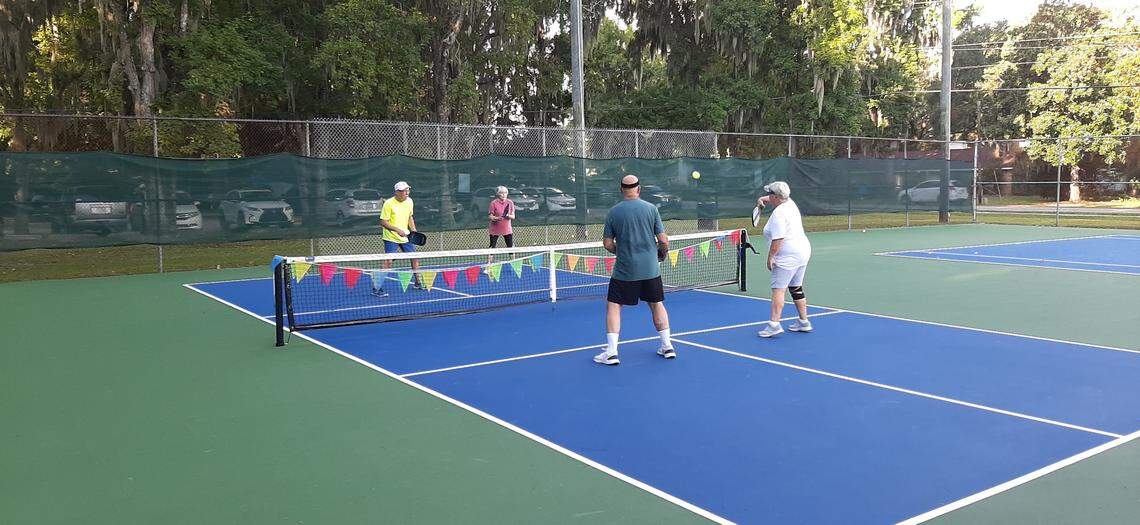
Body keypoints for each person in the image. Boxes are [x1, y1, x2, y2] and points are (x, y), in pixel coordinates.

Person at [593, 175, 674, 365]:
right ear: (639, 189)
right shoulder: (651, 209)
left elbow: (607, 243)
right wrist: (662, 253)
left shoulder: (613, 212)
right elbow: (663, 240)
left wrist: (621, 251)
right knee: (656, 304)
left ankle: (611, 352)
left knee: (614, 305)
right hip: (650, 269)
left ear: (621, 189)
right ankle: (667, 346)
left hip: (625, 269)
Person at [756, 181, 812, 337]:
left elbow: (778, 239)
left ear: (775, 197)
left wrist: (770, 257)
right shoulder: (790, 203)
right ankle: (804, 322)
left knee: (778, 289)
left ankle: (774, 324)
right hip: (803, 252)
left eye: (770, 194)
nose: (768, 196)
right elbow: (772, 197)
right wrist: (761, 199)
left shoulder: (779, 214)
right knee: (796, 287)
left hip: (787, 256)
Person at [373, 181, 420, 296]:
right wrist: (397, 230)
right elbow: (383, 222)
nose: (407, 193)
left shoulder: (409, 201)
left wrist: (413, 230)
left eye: (408, 190)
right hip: (391, 237)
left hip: (406, 237)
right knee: (388, 261)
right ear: (397, 192)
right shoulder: (388, 203)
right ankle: (377, 288)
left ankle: (418, 282)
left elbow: (410, 217)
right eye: (404, 191)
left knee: (414, 258)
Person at [487, 186, 515, 263]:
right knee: (492, 247)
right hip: (495, 230)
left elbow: (513, 216)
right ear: (498, 194)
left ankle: (514, 265)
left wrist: (508, 215)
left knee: (510, 247)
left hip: (507, 230)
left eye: (505, 193)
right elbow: (490, 216)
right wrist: (496, 218)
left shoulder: (510, 202)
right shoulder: (493, 203)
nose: (503, 194)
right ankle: (489, 265)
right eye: (501, 193)